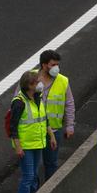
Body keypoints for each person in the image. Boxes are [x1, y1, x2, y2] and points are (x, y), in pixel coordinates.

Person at [10, 71, 55, 193]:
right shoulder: (19, 102)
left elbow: (44, 118)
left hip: (38, 142)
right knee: (28, 177)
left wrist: (51, 136)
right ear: (29, 85)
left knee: (34, 176)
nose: (40, 84)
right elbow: (13, 127)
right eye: (37, 82)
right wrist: (18, 147)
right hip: (26, 146)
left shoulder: (38, 97)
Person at [32, 49, 75, 183]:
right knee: (34, 167)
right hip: (34, 130)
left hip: (54, 130)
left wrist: (70, 126)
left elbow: (69, 104)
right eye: (53, 64)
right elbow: (18, 99)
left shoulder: (63, 81)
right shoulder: (30, 78)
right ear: (44, 65)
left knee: (51, 164)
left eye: (57, 64)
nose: (56, 68)